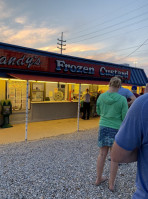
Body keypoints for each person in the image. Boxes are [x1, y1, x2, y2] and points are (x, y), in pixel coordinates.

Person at [111, 91, 148, 199]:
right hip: (116, 124)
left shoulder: (143, 103)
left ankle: (106, 181)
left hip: (105, 124)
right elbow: (123, 114)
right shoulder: (125, 98)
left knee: (103, 153)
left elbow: (118, 155)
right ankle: (111, 183)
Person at [95, 77, 128, 191]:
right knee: (114, 158)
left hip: (103, 126)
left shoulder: (101, 96)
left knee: (102, 154)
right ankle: (111, 184)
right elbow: (125, 117)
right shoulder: (122, 99)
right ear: (119, 86)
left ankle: (98, 179)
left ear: (109, 84)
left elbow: (98, 111)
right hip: (116, 129)